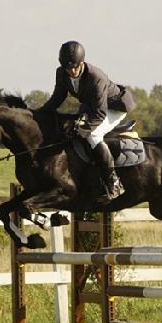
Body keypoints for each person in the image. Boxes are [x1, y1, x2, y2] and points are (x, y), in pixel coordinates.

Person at [40, 40, 136, 204]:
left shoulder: (96, 77)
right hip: (92, 105)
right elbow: (57, 98)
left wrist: (84, 130)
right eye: (68, 68)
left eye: (75, 67)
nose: (72, 71)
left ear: (82, 63)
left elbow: (100, 113)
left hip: (114, 106)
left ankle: (113, 183)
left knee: (93, 134)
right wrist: (39, 113)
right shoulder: (61, 73)